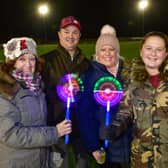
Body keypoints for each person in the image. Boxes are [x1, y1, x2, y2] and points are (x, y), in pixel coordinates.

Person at [0, 37, 72, 168]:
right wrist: (54, 133)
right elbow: (9, 134)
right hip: (17, 162)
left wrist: (66, 91)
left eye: (32, 58)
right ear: (12, 62)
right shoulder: (4, 90)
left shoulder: (37, 86)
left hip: (39, 160)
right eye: (22, 59)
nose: (28, 64)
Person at [76, 25, 132, 168]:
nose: (107, 53)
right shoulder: (88, 77)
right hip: (107, 148)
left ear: (117, 51)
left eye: (111, 49)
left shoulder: (128, 73)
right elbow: (84, 116)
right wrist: (93, 146)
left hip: (131, 146)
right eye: (103, 49)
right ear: (97, 52)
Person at [41, 16, 90, 168]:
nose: (71, 36)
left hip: (80, 128)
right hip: (56, 127)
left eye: (75, 32)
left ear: (79, 36)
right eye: (66, 31)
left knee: (82, 164)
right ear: (59, 34)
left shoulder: (86, 64)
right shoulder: (46, 61)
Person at [120, 31, 168, 168]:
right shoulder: (131, 79)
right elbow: (125, 112)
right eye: (149, 48)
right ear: (141, 52)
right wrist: (115, 127)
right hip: (141, 157)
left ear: (165, 54)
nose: (153, 54)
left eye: (159, 50)